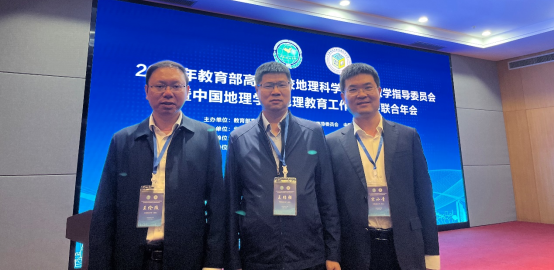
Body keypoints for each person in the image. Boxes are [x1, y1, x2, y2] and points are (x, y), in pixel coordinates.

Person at [89, 61, 225, 270]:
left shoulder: (205, 137)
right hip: (129, 259)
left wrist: (213, 263)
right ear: (146, 91)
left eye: (176, 86)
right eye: (160, 86)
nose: (168, 93)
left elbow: (216, 204)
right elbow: (105, 207)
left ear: (188, 91)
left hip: (187, 259)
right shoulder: (123, 139)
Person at [225, 62, 341, 270]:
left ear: (291, 87)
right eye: (268, 85)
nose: (276, 91)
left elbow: (326, 196)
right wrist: (233, 260)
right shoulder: (239, 138)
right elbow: (231, 202)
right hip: (258, 255)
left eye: (282, 84)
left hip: (308, 253)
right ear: (257, 90)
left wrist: (333, 252)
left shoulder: (313, 132)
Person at [326, 63, 440, 270]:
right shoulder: (331, 143)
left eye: (368, 87)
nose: (361, 94)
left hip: (406, 244)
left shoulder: (408, 136)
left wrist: (432, 252)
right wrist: (332, 254)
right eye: (353, 89)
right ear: (343, 97)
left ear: (379, 91)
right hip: (356, 250)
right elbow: (330, 205)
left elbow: (424, 197)